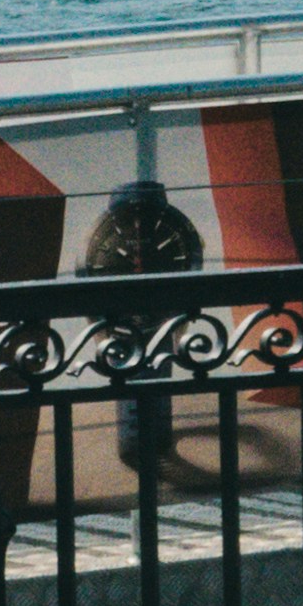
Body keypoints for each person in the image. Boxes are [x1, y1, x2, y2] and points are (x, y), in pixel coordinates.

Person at [79, 179, 204, 478]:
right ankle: (143, 437)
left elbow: (85, 272)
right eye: (134, 263)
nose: (139, 266)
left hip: (142, 320)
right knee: (157, 371)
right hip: (140, 320)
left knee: (156, 370)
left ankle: (139, 437)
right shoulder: (175, 229)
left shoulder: (101, 233)